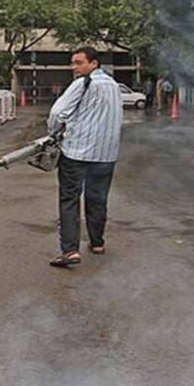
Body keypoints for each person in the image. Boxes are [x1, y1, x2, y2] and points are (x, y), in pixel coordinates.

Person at [47, 47, 124, 267]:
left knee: (69, 199)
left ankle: (70, 250)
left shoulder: (82, 83)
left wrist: (53, 133)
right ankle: (97, 243)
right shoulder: (114, 86)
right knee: (98, 198)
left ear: (94, 63)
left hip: (76, 152)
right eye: (73, 63)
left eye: (79, 62)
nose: (75, 67)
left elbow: (57, 113)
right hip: (106, 154)